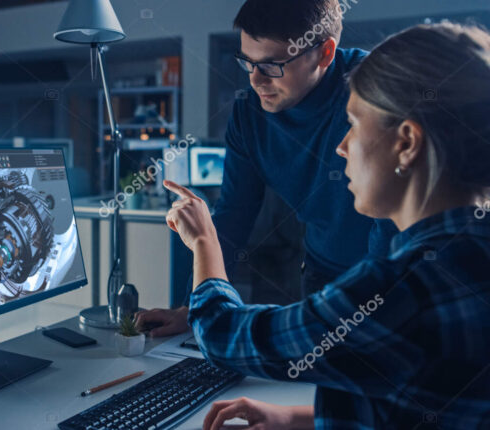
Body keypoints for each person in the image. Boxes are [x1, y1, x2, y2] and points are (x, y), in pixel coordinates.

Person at [164, 22, 490, 429]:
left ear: (406, 143)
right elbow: (417, 398)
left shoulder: (401, 291)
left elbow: (222, 334)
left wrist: (203, 242)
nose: (342, 145)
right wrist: (298, 418)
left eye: (354, 123)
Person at [136, 0, 398, 337]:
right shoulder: (249, 115)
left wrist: (373, 302)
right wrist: (192, 306)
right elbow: (234, 213)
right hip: (321, 272)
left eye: (272, 65)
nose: (257, 80)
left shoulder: (375, 93)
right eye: (248, 62)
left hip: (389, 272)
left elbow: (392, 219)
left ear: (324, 53)